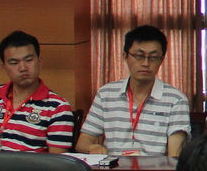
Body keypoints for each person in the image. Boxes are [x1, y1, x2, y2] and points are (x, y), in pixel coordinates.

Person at [76, 25, 191, 157]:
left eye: (153, 57)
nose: (145, 63)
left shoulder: (175, 99)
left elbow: (175, 156)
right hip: (114, 168)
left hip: (154, 169)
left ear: (162, 60)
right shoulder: (106, 94)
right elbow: (82, 142)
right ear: (125, 56)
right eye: (139, 56)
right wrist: (92, 147)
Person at [0, 30, 75, 154]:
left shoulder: (58, 107)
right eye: (14, 63)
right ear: (4, 67)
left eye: (28, 60)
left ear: (39, 62)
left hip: (30, 166)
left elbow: (58, 160)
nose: (23, 68)